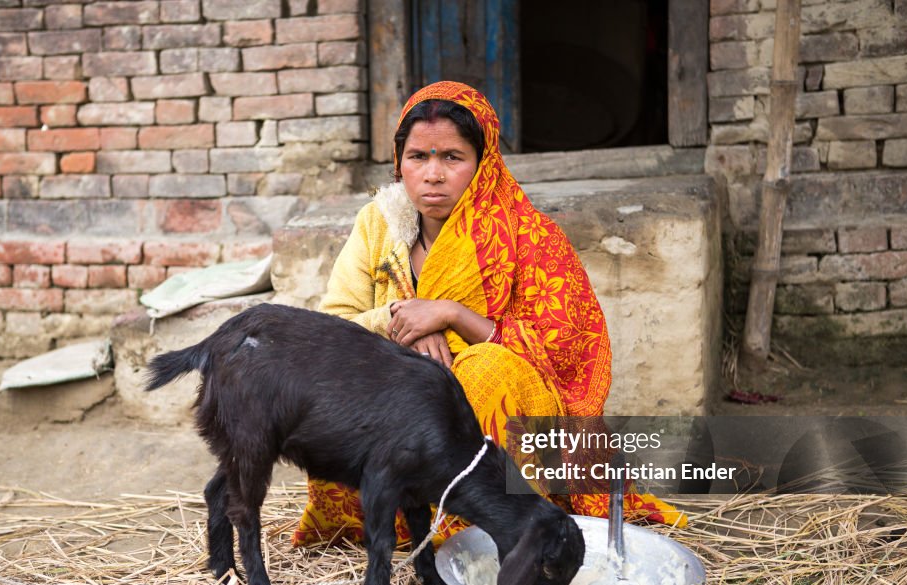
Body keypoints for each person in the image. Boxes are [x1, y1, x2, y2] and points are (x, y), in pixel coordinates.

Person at [292, 81, 685, 548]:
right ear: (399, 163)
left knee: (483, 374)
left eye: (452, 157)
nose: (432, 174)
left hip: (511, 403)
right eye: (418, 157)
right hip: (403, 393)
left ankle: (479, 535)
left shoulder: (528, 235)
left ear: (484, 162)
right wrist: (402, 322)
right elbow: (334, 328)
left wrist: (453, 315)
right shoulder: (378, 225)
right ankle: (390, 523)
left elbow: (565, 353)